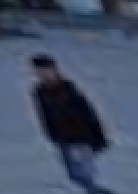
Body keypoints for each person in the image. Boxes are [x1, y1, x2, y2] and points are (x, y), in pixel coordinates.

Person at [31, 54, 118, 194]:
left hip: (80, 137)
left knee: (84, 177)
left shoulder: (68, 88)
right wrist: (51, 135)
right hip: (62, 139)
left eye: (46, 71)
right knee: (75, 177)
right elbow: (44, 116)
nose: (43, 75)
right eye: (39, 72)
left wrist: (99, 135)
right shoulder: (39, 91)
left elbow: (87, 111)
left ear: (54, 70)